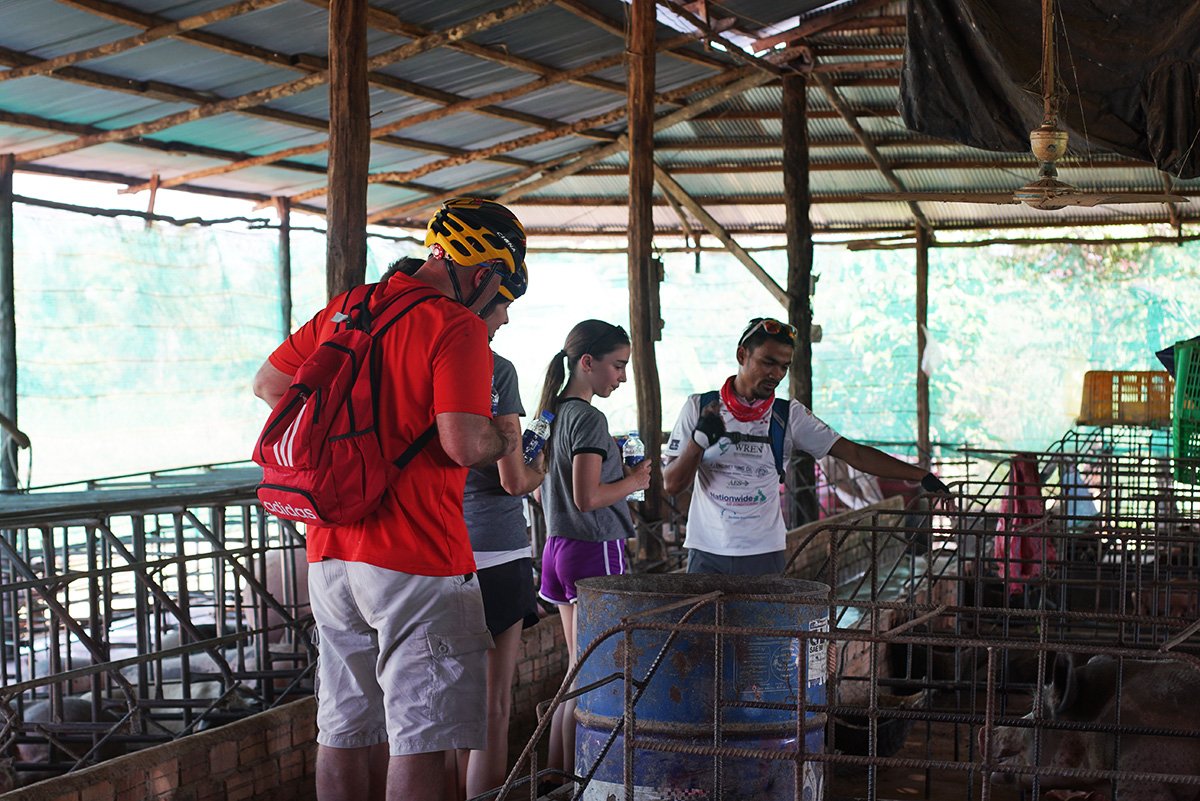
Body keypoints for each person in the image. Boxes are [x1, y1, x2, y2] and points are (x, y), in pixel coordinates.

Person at [251, 198, 528, 801]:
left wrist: (355, 432)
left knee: (346, 723)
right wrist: (505, 435)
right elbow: (461, 443)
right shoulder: (456, 326)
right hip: (417, 556)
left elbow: (270, 385)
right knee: (420, 733)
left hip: (330, 551)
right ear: (484, 275)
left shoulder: (349, 308)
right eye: (502, 290)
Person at [663, 316, 950, 576]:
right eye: (768, 362)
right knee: (706, 633)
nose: (776, 374)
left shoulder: (789, 416)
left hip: (764, 553)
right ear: (742, 355)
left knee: (763, 634)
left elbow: (854, 453)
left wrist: (919, 475)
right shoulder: (699, 408)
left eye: (784, 366)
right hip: (707, 553)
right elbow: (672, 484)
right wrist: (698, 441)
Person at [534, 320, 651, 788]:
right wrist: (634, 482)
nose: (621, 377)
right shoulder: (588, 418)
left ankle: (556, 776)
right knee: (597, 675)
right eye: (617, 365)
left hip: (558, 547)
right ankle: (580, 777)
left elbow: (546, 493)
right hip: (593, 551)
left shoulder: (552, 414)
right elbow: (587, 496)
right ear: (588, 363)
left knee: (576, 672)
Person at [456, 273, 546, 799]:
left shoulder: (418, 361)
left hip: (440, 550)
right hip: (497, 546)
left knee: (441, 707)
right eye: (500, 308)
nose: (505, 319)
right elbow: (514, 479)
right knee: (493, 702)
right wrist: (541, 472)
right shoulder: (496, 368)